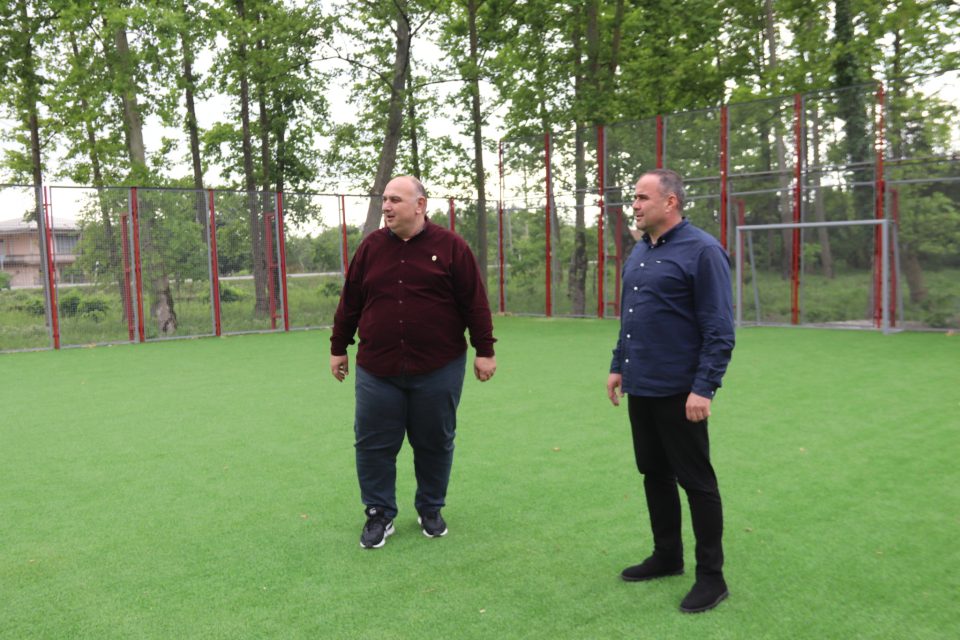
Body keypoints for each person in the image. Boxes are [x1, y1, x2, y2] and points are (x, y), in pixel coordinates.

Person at [330, 175, 497, 549]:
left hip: (439, 367)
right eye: (385, 200)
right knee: (373, 444)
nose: (387, 206)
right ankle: (379, 513)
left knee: (435, 441)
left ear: (420, 205)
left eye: (395, 200)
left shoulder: (451, 247)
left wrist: (484, 350)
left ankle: (431, 508)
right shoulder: (370, 248)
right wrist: (339, 347)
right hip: (378, 369)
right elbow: (350, 302)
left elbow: (474, 303)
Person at [606, 168, 735, 613]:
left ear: (670, 202)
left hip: (681, 391)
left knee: (696, 482)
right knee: (653, 473)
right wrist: (618, 365)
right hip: (641, 385)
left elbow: (719, 329)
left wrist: (705, 388)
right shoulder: (640, 250)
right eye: (634, 197)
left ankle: (712, 577)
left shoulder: (703, 251)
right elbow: (631, 316)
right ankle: (667, 556)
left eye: (642, 197)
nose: (635, 205)